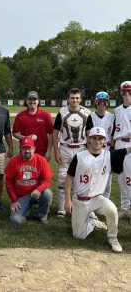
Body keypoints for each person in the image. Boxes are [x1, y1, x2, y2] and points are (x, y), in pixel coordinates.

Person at [64, 127, 131, 253]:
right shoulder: (79, 156)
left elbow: (127, 149)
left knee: (112, 209)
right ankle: (93, 222)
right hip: (79, 200)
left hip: (97, 199)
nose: (97, 141)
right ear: (89, 139)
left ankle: (113, 238)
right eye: (94, 138)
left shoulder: (109, 155)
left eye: (100, 138)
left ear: (105, 141)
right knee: (79, 236)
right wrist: (68, 200)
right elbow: (68, 179)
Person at [53, 88, 91, 217]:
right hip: (65, 148)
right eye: (72, 98)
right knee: (63, 177)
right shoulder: (62, 113)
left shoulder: (87, 113)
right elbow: (55, 133)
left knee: (80, 178)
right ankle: (62, 207)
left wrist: (90, 151)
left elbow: (89, 134)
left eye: (77, 98)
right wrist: (56, 151)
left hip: (81, 148)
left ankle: (77, 205)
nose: (74, 100)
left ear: (81, 99)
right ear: (68, 99)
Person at [5, 136, 53, 224]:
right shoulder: (13, 162)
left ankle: (42, 216)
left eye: (29, 148)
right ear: (20, 149)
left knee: (47, 193)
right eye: (24, 148)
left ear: (34, 148)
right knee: (16, 220)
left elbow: (48, 181)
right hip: (21, 196)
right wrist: (14, 200)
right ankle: (24, 214)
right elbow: (9, 183)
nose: (27, 151)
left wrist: (39, 190)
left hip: (36, 194)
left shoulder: (41, 160)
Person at [85, 91, 114, 198]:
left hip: (107, 150)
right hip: (94, 150)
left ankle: (106, 203)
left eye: (104, 102)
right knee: (93, 178)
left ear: (108, 103)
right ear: (96, 103)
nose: (102, 105)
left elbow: (114, 136)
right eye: (99, 102)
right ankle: (92, 202)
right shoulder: (90, 116)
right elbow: (88, 135)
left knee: (107, 180)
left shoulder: (112, 117)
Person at [13, 91, 54, 161]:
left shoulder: (46, 115)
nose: (32, 101)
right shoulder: (20, 116)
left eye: (34, 99)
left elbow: (51, 133)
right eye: (30, 99)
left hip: (42, 152)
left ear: (38, 101)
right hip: (25, 152)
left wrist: (49, 151)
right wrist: (26, 138)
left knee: (41, 172)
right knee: (26, 172)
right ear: (26, 101)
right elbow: (15, 133)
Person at [113, 81, 131, 219]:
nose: (127, 95)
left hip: (130, 146)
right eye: (124, 92)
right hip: (119, 144)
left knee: (130, 179)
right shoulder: (117, 110)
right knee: (121, 178)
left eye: (130, 92)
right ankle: (125, 208)